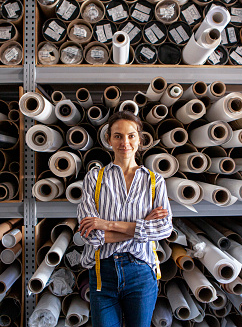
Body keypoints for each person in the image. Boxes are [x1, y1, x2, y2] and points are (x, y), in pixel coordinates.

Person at [77, 110, 173, 327]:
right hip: (103, 273)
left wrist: (107, 225)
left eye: (131, 135)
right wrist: (143, 226)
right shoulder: (94, 178)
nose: (124, 142)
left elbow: (164, 229)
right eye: (118, 136)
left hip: (141, 273)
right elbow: (91, 236)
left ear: (139, 139)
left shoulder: (154, 181)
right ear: (109, 140)